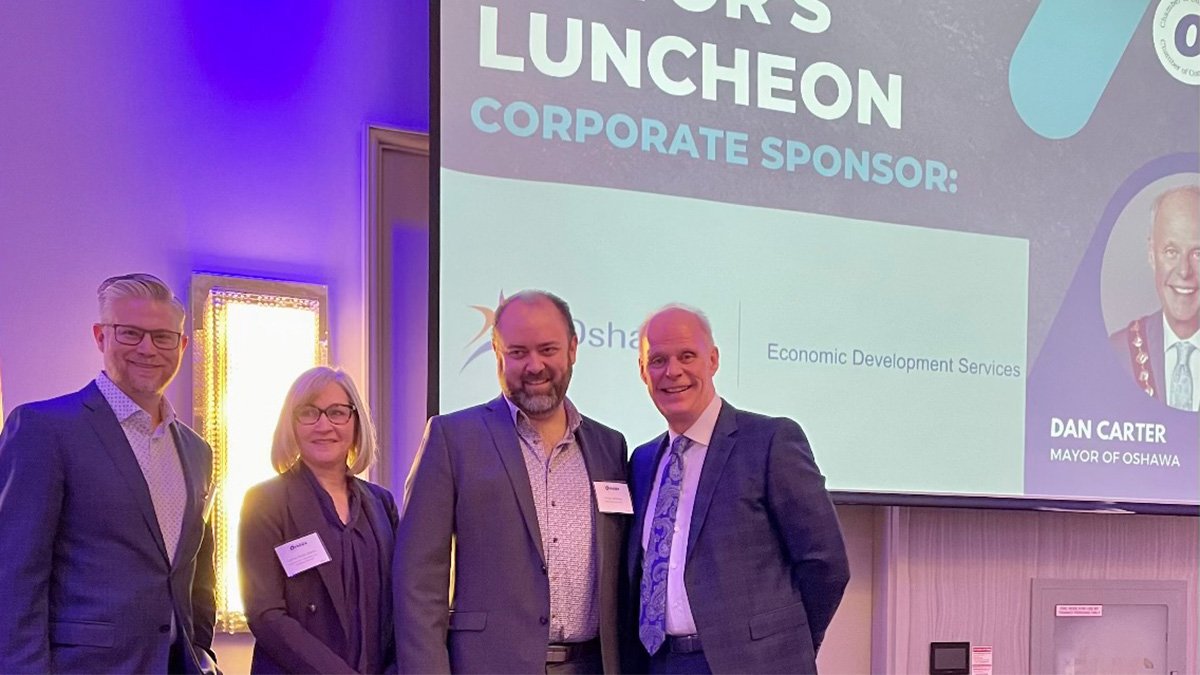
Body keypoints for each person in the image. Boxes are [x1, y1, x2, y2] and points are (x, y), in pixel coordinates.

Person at [395, 290, 629, 673]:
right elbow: (417, 582)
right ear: (497, 352)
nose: (534, 365)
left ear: (572, 349)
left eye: (548, 349)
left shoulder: (610, 446)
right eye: (518, 352)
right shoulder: (452, 438)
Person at [0, 273, 218, 673]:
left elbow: (197, 573)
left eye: (162, 337)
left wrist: (202, 652)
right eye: (130, 333)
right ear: (101, 337)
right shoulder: (44, 429)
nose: (147, 349)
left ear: (182, 345)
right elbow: (14, 578)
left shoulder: (197, 451)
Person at [626, 305, 849, 674]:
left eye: (687, 356)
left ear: (713, 360)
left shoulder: (769, 441)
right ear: (642, 371)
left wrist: (786, 644)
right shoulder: (644, 461)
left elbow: (825, 563)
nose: (673, 371)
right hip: (660, 664)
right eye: (658, 360)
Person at [239, 366, 398, 673]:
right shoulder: (264, 502)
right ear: (291, 423)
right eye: (309, 412)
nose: (323, 425)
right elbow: (266, 614)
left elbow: (399, 606)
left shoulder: (382, 504)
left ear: (356, 422)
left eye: (337, 412)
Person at [1110, 185, 1200, 411]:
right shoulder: (1118, 352)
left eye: (1198, 254)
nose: (1184, 271)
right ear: (1152, 255)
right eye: (1171, 252)